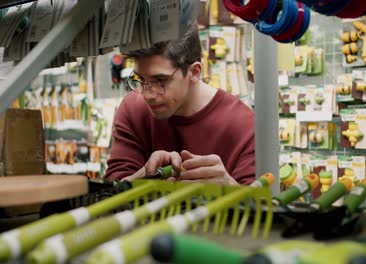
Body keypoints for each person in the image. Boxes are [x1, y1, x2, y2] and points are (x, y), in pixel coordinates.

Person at [104, 27, 255, 185]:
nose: (147, 95)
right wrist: (146, 175)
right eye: (140, 80)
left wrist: (230, 189)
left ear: (194, 72)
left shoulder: (243, 125)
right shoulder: (133, 108)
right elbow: (111, 190)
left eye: (160, 81)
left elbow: (261, 203)